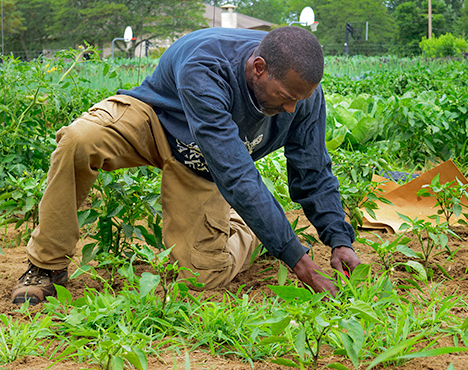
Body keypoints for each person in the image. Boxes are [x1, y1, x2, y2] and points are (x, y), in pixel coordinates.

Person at [12, 26, 361, 304]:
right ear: (259, 69)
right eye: (285, 98)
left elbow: (313, 172)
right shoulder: (206, 64)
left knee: (201, 278)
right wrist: (298, 259)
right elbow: (237, 174)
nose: (290, 110)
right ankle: (46, 267)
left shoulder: (303, 96)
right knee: (79, 140)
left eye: (298, 101)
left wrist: (339, 239)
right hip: (157, 122)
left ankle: (249, 229)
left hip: (203, 165)